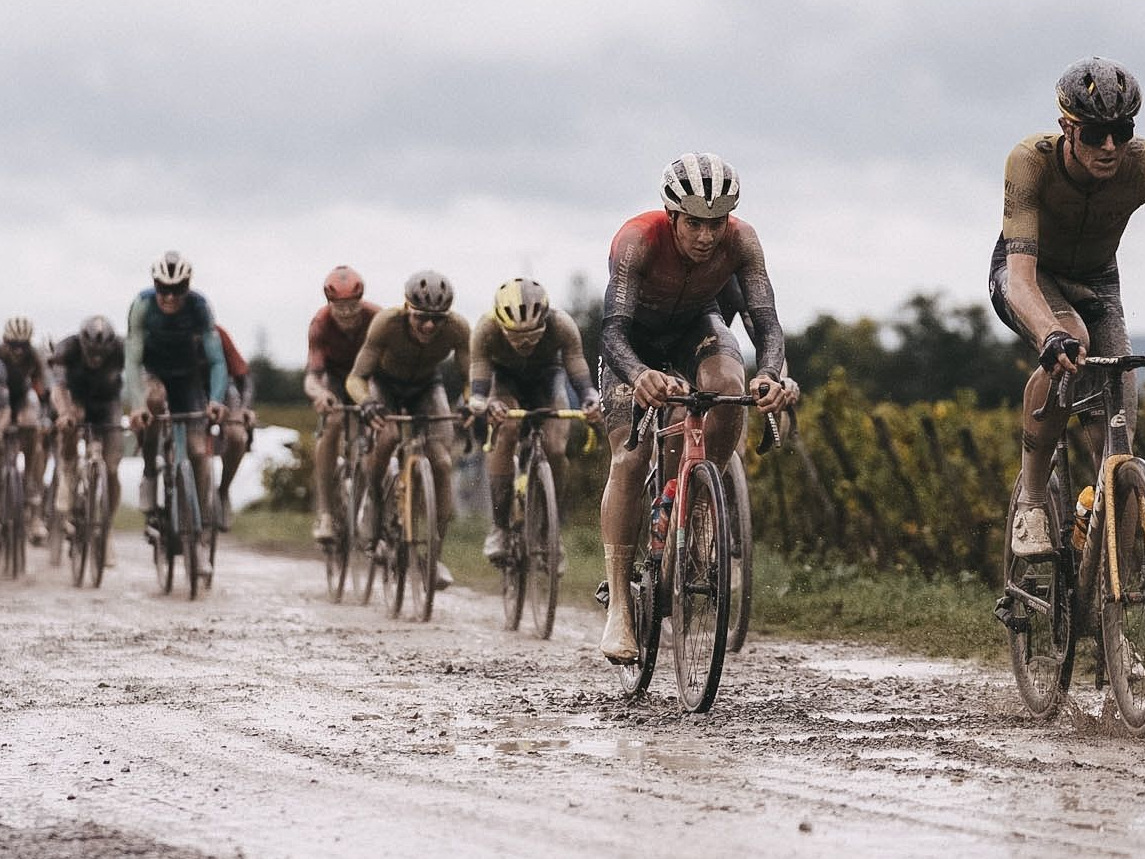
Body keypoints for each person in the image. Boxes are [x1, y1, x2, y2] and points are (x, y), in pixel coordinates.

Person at [597, 152, 793, 664]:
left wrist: (772, 373)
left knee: (731, 383)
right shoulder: (638, 240)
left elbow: (765, 322)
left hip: (695, 326)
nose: (707, 237)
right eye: (694, 224)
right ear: (672, 214)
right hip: (635, 340)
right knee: (630, 457)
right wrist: (639, 375)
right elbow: (612, 329)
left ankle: (701, 505)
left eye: (717, 223)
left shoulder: (743, 241)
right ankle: (619, 605)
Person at [989, 57, 1145, 557]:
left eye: (1122, 132)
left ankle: (1098, 585)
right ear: (1067, 127)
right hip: (1030, 274)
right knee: (1069, 341)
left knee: (1118, 445)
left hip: (1099, 281)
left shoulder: (1138, 163)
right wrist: (1047, 334)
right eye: (1096, 132)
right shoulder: (1031, 161)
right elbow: (1019, 279)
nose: (1109, 147)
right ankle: (1032, 504)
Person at [346, 270, 470, 590]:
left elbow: (472, 379)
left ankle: (434, 556)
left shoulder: (458, 329)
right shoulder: (386, 324)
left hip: (427, 387)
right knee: (386, 436)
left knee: (442, 463)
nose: (429, 326)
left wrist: (470, 403)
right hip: (385, 385)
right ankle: (373, 502)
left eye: (437, 319)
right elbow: (356, 378)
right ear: (406, 308)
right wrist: (366, 403)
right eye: (421, 317)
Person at [468, 278, 601, 561]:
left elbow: (575, 363)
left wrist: (590, 395)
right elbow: (479, 375)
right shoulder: (485, 329)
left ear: (545, 323)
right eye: (515, 336)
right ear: (501, 327)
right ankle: (500, 527)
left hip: (547, 381)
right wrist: (483, 402)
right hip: (505, 383)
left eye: (532, 335)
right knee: (506, 431)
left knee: (555, 448)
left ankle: (550, 529)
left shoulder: (562, 324)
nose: (524, 343)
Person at [125, 251, 228, 572]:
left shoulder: (199, 307)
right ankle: (150, 473)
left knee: (198, 452)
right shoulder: (142, 306)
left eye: (178, 289)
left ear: (187, 287)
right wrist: (138, 403)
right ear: (154, 286)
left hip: (188, 380)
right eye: (163, 289)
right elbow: (131, 359)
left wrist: (216, 398)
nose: (169, 297)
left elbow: (216, 360)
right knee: (153, 403)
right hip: (154, 375)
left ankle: (198, 533)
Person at [304, 265, 382, 542]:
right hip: (336, 379)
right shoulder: (320, 324)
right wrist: (319, 395)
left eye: (353, 307)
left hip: (369, 379)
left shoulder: (377, 318)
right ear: (330, 304)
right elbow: (312, 376)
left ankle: (376, 503)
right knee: (333, 422)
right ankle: (326, 513)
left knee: (381, 430)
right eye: (341, 308)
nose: (348, 314)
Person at [49, 316, 125, 565]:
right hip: (77, 401)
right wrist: (64, 413)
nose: (96, 358)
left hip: (108, 405)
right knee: (70, 423)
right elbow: (58, 388)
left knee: (112, 467)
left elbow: (137, 374)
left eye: (101, 354)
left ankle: (107, 529)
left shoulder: (121, 349)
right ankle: (68, 472)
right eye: (91, 352)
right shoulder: (67, 348)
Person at [0, 316, 51, 544]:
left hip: (20, 401)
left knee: (34, 436)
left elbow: (41, 390)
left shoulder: (33, 357)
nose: (18, 351)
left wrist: (45, 417)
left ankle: (32, 491)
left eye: (23, 346)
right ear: (5, 342)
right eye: (14, 346)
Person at [211, 325, 257, 531]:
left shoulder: (217, 333)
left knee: (238, 437)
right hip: (189, 387)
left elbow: (244, 376)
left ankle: (223, 490)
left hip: (224, 391)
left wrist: (245, 408)